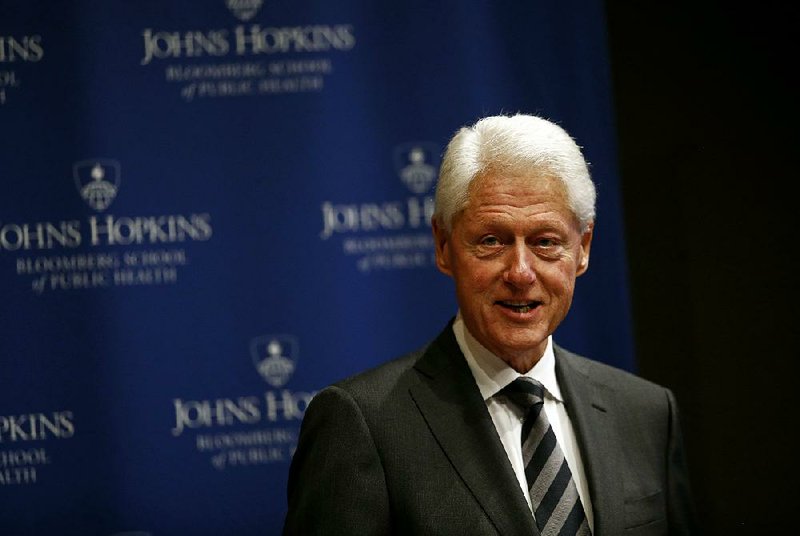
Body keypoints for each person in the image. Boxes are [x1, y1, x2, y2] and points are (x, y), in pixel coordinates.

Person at [283, 113, 696, 535]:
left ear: (583, 248)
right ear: (443, 246)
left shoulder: (646, 413)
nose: (520, 272)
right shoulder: (364, 424)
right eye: (491, 241)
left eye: (546, 242)